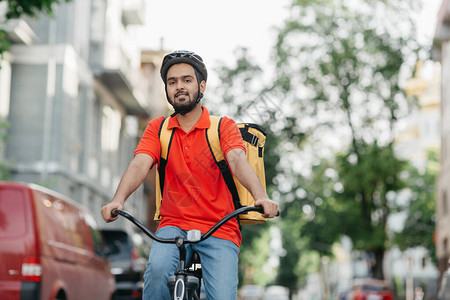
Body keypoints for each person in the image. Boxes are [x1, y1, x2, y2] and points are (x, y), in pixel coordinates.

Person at [100, 50, 278, 300]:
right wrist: (118, 200)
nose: (179, 86)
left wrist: (261, 197)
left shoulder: (222, 126)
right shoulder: (158, 128)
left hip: (220, 226)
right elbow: (140, 163)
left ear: (201, 85)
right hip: (173, 225)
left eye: (187, 80)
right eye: (172, 82)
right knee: (157, 271)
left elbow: (237, 160)